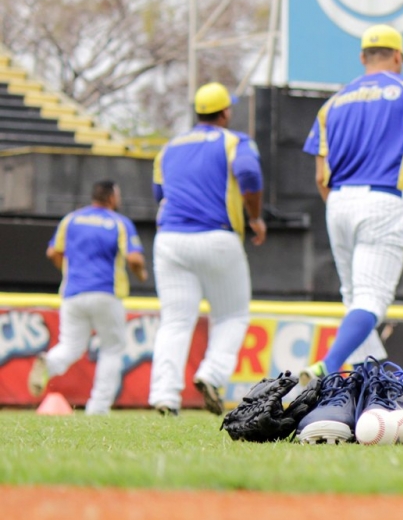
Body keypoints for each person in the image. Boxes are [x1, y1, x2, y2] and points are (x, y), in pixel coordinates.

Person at [300, 24, 403, 384]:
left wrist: (340, 204)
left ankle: (373, 382)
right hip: (383, 200)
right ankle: (328, 364)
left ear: (362, 57)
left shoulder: (332, 103)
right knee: (371, 300)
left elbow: (320, 176)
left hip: (338, 201)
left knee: (355, 299)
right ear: (398, 57)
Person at [148, 82, 265, 416]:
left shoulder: (170, 147)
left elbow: (159, 194)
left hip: (170, 239)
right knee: (232, 315)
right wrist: (255, 216)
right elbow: (248, 172)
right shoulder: (235, 141)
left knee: (175, 320)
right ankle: (211, 374)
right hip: (216, 236)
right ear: (225, 112)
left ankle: (164, 395)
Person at [28, 180, 148, 415]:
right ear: (111, 198)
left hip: (73, 293)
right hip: (106, 293)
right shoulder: (119, 222)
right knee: (112, 348)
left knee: (70, 346)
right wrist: (141, 273)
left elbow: (53, 252)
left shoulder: (71, 219)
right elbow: (134, 258)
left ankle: (49, 362)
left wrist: (68, 270)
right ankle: (98, 408)